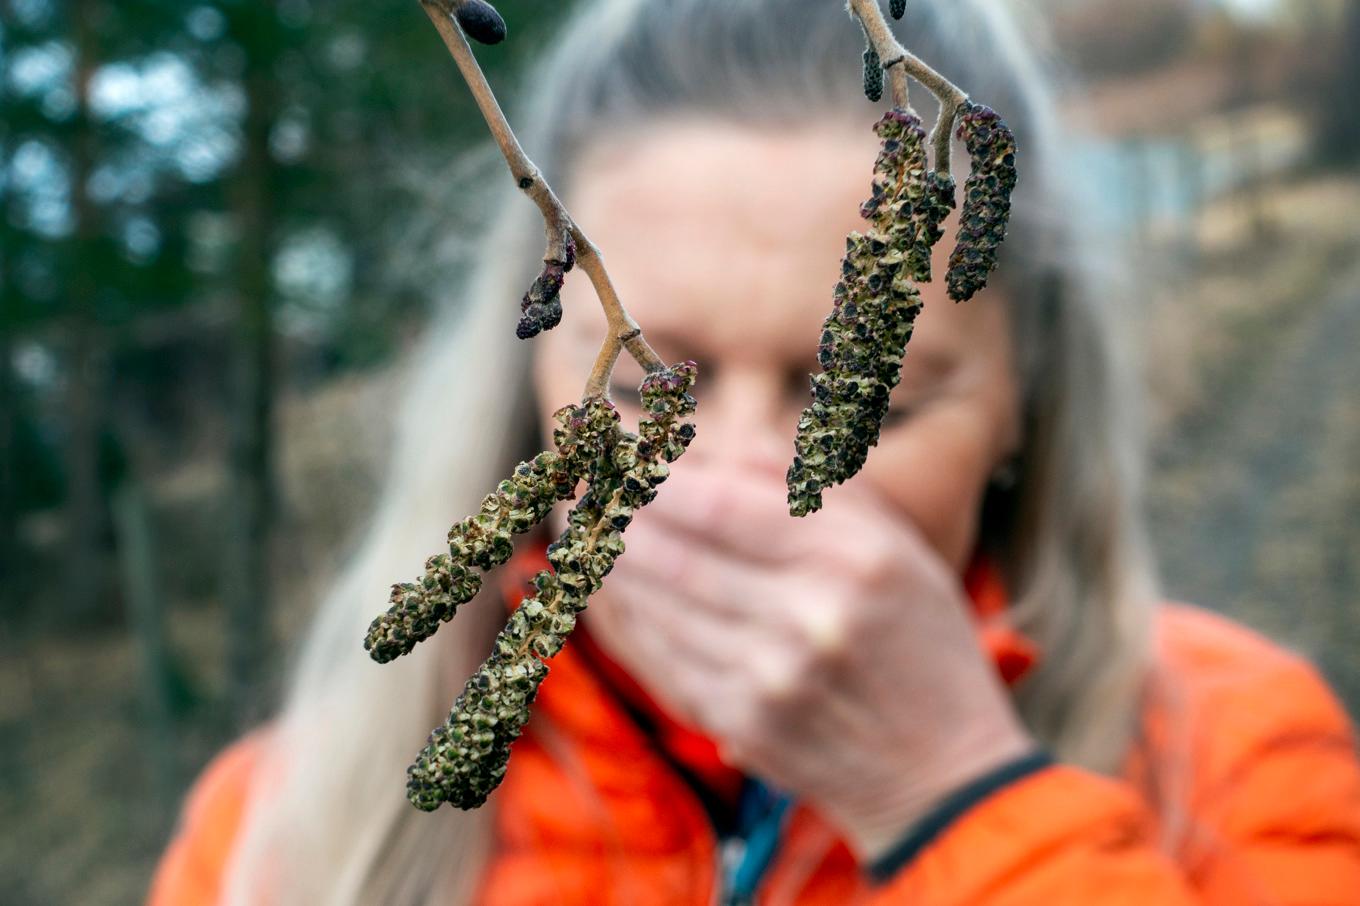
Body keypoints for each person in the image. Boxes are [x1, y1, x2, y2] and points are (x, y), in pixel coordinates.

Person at [146, 1, 1360, 903]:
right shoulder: (288, 834)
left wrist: (960, 801)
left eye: (868, 406)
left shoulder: (1235, 756)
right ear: (525, 389)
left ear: (1020, 409)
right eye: (642, 387)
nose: (735, 484)